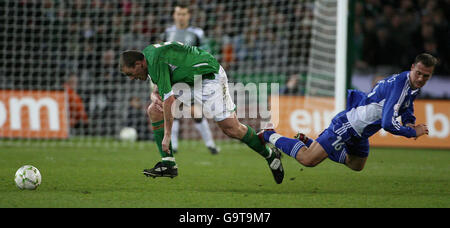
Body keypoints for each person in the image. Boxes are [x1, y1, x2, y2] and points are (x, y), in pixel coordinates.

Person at [119, 41, 284, 184]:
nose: (131, 78)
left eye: (130, 74)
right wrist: (154, 94)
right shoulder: (148, 56)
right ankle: (168, 164)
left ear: (139, 64)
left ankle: (270, 155)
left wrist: (167, 135)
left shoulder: (154, 60)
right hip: (188, 81)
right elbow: (162, 78)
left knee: (231, 128)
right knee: (154, 109)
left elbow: (169, 100)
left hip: (208, 77)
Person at [258, 53, 436, 171]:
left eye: (426, 76)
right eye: (418, 73)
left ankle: (314, 143)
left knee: (356, 164)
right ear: (413, 67)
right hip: (349, 125)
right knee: (308, 159)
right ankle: (269, 135)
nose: (421, 78)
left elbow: (407, 102)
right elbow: (387, 123)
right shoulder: (400, 86)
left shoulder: (410, 82)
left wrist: (409, 119)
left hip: (360, 131)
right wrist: (412, 131)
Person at [159, 2, 219, 155]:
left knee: (195, 111)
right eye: (178, 14)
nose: (181, 17)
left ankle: (210, 144)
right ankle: (175, 146)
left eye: (184, 14)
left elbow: (206, 53)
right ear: (174, 15)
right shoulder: (167, 33)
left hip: (192, 77)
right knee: (175, 109)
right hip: (173, 77)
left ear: (188, 15)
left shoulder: (197, 33)